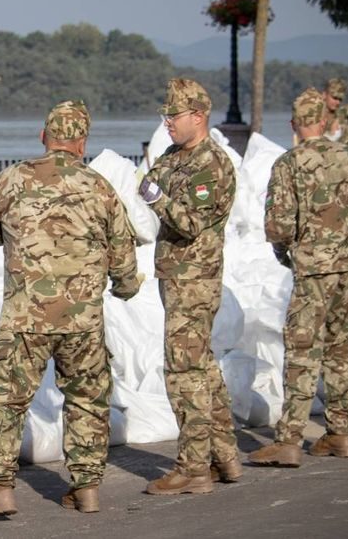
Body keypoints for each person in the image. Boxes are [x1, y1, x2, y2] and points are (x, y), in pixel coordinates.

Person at [0, 101, 141, 519]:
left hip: (26, 317)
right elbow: (124, 255)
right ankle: (87, 487)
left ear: (44, 136)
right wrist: (125, 287)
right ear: (83, 142)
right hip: (83, 321)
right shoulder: (100, 186)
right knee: (87, 399)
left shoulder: (14, 179)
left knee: (7, 399)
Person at [250, 89, 348, 467]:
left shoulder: (289, 163)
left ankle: (290, 438)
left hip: (311, 270)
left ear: (295, 125)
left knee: (302, 351)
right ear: (324, 123)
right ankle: (340, 432)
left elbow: (277, 226)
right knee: (340, 349)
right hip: (345, 267)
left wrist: (285, 254)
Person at [137, 78, 241, 495]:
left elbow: (190, 222)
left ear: (197, 116)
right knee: (204, 368)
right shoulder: (174, 156)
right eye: (165, 116)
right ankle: (225, 456)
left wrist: (156, 198)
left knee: (184, 372)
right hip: (175, 276)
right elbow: (152, 179)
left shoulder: (210, 164)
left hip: (195, 279)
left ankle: (193, 467)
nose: (167, 124)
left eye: (173, 117)